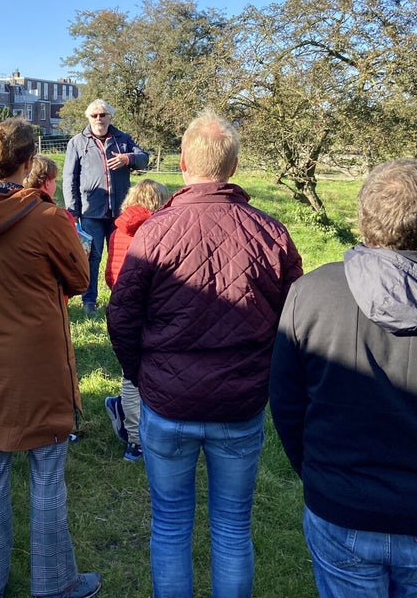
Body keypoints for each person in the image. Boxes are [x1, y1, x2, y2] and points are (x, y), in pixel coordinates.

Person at [270, 158, 417, 598]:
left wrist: (319, 475)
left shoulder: (310, 294)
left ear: (362, 213)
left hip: (347, 505)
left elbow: (287, 404)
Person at [107, 109, 302, 598]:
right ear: (233, 167)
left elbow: (122, 315)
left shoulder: (157, 230)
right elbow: (294, 322)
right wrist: (143, 373)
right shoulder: (269, 233)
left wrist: (143, 375)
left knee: (174, 524)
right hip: (229, 402)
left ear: (184, 163)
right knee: (232, 526)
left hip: (178, 401)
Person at [0, 118, 101, 598]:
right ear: (27, 161)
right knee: (46, 476)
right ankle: (54, 583)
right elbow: (80, 279)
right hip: (39, 362)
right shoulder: (46, 218)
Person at [103, 178, 170, 463]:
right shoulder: (158, 230)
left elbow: (109, 271)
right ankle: (142, 434)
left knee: (130, 373)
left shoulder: (118, 228)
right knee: (151, 373)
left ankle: (133, 439)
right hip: (150, 308)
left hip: (122, 306)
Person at [63, 99, 149, 317]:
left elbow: (144, 159)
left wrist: (127, 158)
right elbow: (69, 178)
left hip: (119, 212)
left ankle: (120, 300)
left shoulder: (122, 140)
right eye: (94, 115)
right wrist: (73, 210)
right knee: (92, 257)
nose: (99, 119)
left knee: (120, 256)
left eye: (102, 115)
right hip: (91, 211)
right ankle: (88, 301)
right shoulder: (77, 142)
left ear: (110, 116)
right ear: (88, 118)